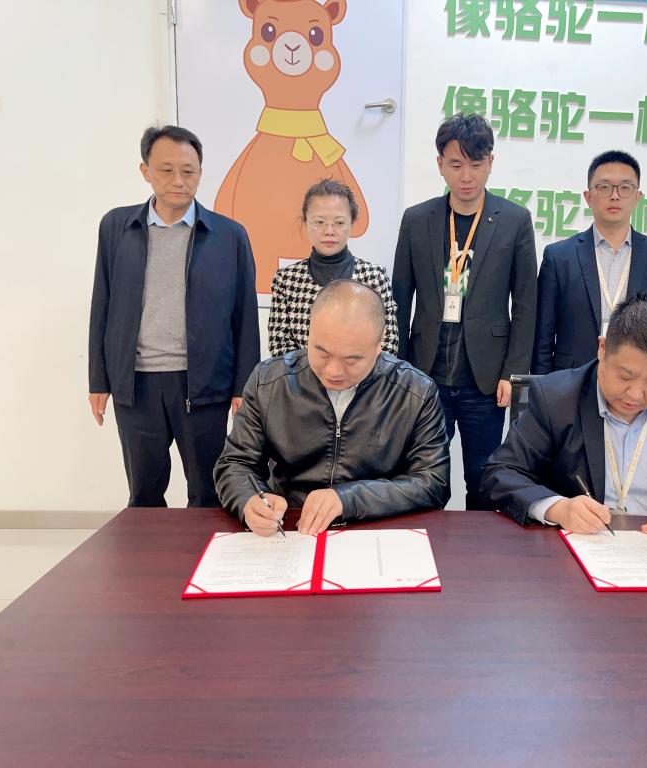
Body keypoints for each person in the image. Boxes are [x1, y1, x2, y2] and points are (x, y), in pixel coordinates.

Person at [482, 294, 647, 546]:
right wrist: (558, 508)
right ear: (602, 348)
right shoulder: (555, 397)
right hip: (581, 545)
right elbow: (501, 473)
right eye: (625, 376)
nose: (635, 394)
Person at [88, 125, 259, 508]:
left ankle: (205, 548)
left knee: (209, 492)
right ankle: (149, 549)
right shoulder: (117, 227)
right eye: (166, 170)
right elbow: (102, 304)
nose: (178, 180)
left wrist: (243, 387)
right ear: (145, 171)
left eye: (188, 171)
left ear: (200, 173)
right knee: (144, 492)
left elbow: (245, 316)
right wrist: (98, 380)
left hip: (204, 384)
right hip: (136, 384)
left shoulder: (229, 235)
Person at [215, 280, 450, 536]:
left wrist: (349, 499)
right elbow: (235, 463)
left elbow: (433, 481)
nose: (334, 371)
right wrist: (250, 500)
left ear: (379, 344)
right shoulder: (269, 382)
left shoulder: (415, 392)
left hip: (377, 528)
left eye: (352, 360)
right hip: (292, 527)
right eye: (322, 352)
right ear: (309, 332)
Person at [392, 113, 537, 510]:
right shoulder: (417, 219)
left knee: (482, 477)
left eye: (476, 164)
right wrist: (397, 369)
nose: (467, 176)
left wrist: (513, 373)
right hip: (425, 374)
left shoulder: (514, 220)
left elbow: (526, 304)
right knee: (424, 477)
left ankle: (477, 547)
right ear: (440, 164)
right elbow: (399, 300)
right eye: (456, 165)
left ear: (491, 162)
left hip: (485, 378)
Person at [533, 150, 647, 374]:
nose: (615, 196)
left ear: (637, 197)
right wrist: (543, 385)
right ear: (588, 196)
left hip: (634, 379)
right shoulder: (559, 257)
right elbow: (542, 336)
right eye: (605, 187)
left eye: (625, 187)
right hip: (571, 380)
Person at [268, 179, 398, 357]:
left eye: (339, 222)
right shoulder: (286, 279)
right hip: (302, 375)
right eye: (319, 222)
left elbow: (388, 344)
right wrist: (318, 370)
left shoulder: (374, 277)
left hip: (365, 375)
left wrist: (353, 369)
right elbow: (280, 348)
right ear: (305, 223)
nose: (329, 231)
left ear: (352, 223)